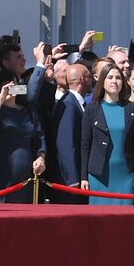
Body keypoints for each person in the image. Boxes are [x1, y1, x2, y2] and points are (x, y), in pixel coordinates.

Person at [80, 63, 134, 205]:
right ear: (102, 81)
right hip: (99, 175)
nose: (114, 81)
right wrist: (83, 177)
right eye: (110, 77)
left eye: (118, 78)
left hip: (125, 174)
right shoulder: (92, 109)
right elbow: (85, 146)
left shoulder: (131, 108)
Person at [0, 69, 47, 203]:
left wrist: (41, 158)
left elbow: (40, 138)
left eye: (15, 84)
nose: (12, 88)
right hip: (1, 173)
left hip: (26, 174)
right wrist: (1, 97)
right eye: (8, 85)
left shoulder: (28, 110)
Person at [48, 62, 92, 204]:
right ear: (82, 80)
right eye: (89, 76)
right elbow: (66, 143)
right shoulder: (68, 104)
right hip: (68, 181)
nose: (92, 80)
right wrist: (72, 179)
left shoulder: (78, 103)